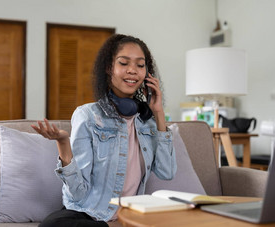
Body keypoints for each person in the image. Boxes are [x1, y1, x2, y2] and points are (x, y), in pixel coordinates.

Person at [31, 34, 177, 227]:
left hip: (130, 216)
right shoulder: (88, 115)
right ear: (109, 68)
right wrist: (63, 143)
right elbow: (78, 193)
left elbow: (167, 172)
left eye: (140, 65)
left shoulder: (148, 123)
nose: (133, 70)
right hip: (88, 215)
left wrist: (158, 112)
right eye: (124, 63)